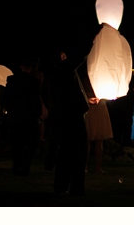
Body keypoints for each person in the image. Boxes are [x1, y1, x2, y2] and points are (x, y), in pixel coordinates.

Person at [49, 50, 89, 196]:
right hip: (72, 116)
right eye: (63, 54)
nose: (66, 55)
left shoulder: (55, 73)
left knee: (65, 153)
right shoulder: (63, 70)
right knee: (77, 153)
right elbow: (80, 57)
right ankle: (75, 188)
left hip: (64, 116)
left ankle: (61, 186)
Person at [4, 56, 43, 176]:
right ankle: (25, 168)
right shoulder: (34, 82)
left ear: (21, 66)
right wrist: (38, 114)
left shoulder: (11, 80)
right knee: (30, 143)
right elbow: (36, 100)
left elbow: (7, 98)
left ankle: (16, 167)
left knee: (16, 144)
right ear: (31, 67)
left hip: (15, 116)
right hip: (29, 117)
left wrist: (8, 111)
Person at [84, 96, 112, 174]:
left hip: (99, 105)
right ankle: (85, 167)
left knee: (99, 139)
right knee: (87, 139)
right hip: (89, 105)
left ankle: (98, 167)